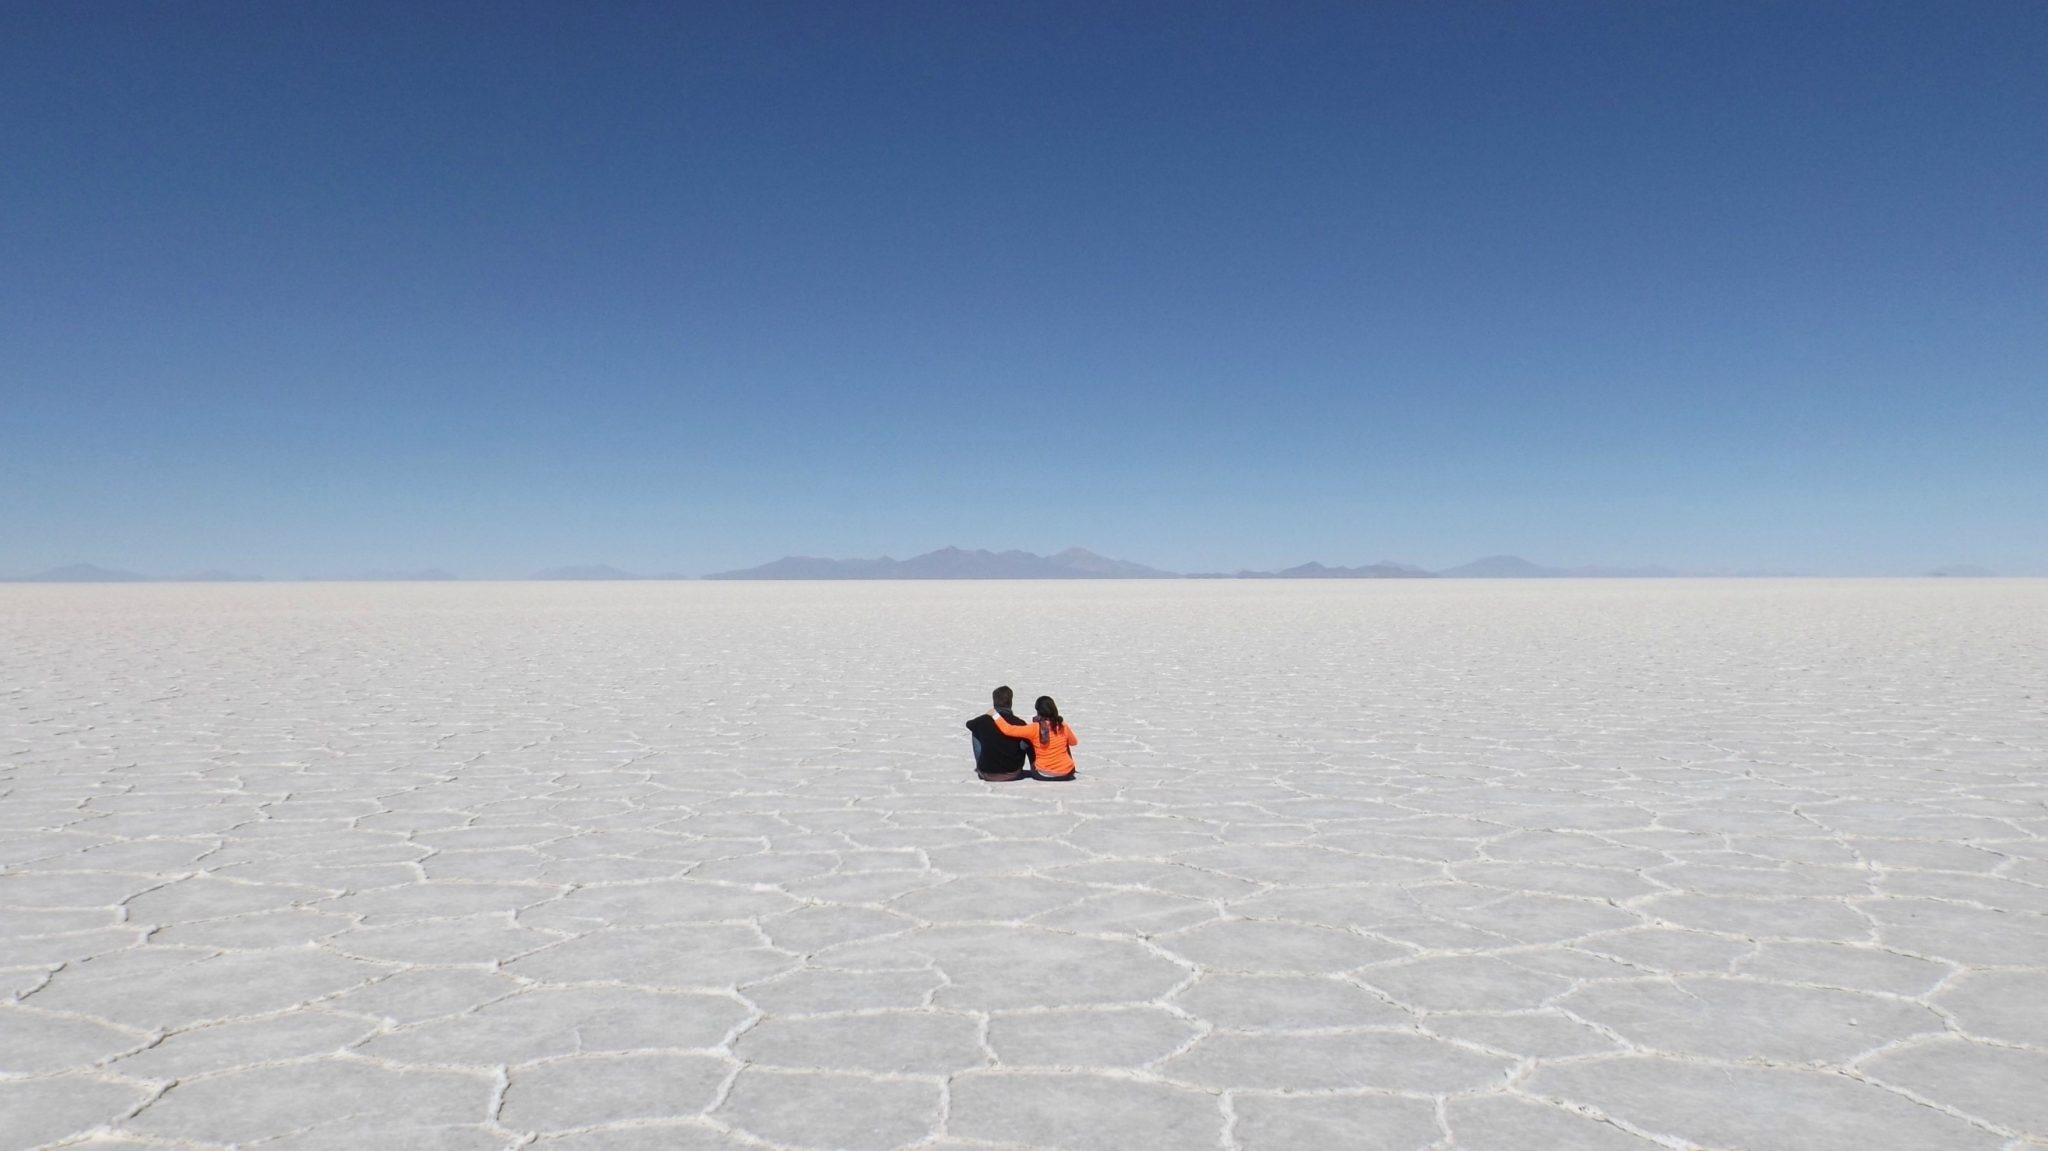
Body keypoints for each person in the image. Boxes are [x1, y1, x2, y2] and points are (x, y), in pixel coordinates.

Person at [988, 695, 1077, 781]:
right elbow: (1073, 742)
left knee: (1029, 740)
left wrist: (994, 714)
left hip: (1043, 774)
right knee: (1065, 741)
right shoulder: (1062, 726)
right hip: (1067, 773)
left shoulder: (1035, 728)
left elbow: (1008, 729)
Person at [965, 685, 1034, 782]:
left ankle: (982, 765)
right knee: (1026, 736)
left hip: (987, 773)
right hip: (1013, 773)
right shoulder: (1019, 723)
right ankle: (1033, 766)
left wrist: (987, 718)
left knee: (975, 730)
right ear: (1010, 702)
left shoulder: (982, 721)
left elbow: (969, 724)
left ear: (994, 702)